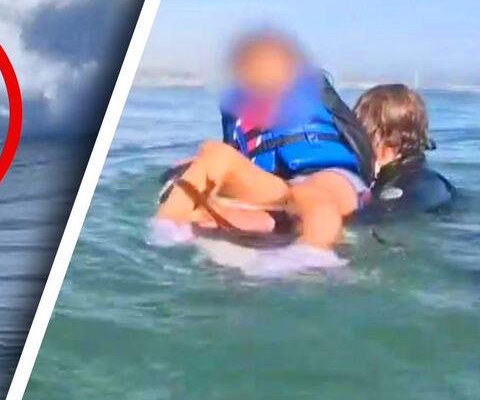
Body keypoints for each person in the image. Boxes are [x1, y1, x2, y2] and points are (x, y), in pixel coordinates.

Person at [155, 30, 372, 250]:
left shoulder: (310, 91)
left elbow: (358, 140)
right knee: (213, 152)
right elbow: (234, 155)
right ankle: (164, 229)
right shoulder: (241, 108)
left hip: (330, 177)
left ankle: (313, 253)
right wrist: (199, 164)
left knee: (308, 196)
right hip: (276, 190)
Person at [352, 84, 454, 220]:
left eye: (361, 131)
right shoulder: (433, 181)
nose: (354, 140)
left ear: (387, 135)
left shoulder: (409, 187)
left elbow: (376, 219)